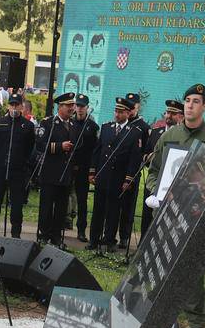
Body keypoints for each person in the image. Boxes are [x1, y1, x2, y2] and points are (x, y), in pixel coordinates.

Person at [146, 83, 205, 328]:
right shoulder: (168, 136)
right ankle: (154, 318)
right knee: (159, 265)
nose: (190, 105)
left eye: (196, 101)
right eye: (188, 101)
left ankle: (196, 324)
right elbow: (154, 171)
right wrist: (153, 192)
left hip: (194, 215)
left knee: (190, 269)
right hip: (165, 212)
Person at [87, 94, 144, 253]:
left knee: (113, 211)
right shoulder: (106, 128)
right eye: (116, 111)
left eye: (121, 112)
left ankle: (109, 240)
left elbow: (134, 159)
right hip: (102, 176)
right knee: (98, 210)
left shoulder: (133, 132)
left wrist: (128, 180)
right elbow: (97, 151)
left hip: (118, 179)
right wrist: (92, 172)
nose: (117, 114)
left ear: (128, 113)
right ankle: (94, 239)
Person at [0, 92, 35, 240]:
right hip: (1, 168)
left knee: (16, 206)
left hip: (18, 171)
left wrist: (25, 165)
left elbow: (31, 148)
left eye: (17, 105)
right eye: (12, 104)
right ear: (8, 106)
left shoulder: (28, 126)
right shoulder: (0, 122)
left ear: (21, 106)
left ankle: (15, 234)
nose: (14, 107)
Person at [34, 92, 78, 250]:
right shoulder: (48, 123)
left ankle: (56, 237)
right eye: (68, 106)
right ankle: (43, 235)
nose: (72, 108)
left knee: (61, 208)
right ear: (60, 107)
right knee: (46, 206)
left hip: (65, 174)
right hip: (50, 172)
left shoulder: (73, 125)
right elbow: (40, 144)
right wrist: (59, 146)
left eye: (73, 105)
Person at [65, 95, 98, 242]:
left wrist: (92, 170)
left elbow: (95, 151)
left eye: (82, 106)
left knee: (82, 200)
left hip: (84, 168)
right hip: (68, 166)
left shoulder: (92, 126)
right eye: (78, 106)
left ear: (87, 107)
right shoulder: (69, 123)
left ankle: (81, 230)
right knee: (63, 197)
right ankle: (63, 223)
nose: (79, 109)